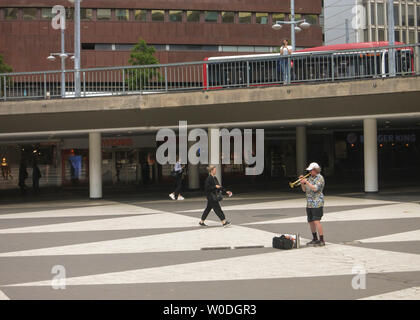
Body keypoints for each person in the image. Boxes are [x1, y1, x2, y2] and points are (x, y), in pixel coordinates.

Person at [299, 162, 325, 246]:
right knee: (310, 221)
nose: (310, 172)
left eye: (311, 170)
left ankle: (322, 240)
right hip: (309, 203)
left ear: (315, 170)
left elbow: (315, 188)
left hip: (317, 203)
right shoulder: (310, 178)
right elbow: (304, 190)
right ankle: (314, 238)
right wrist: (302, 183)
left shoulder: (320, 178)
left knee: (317, 221)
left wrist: (306, 182)